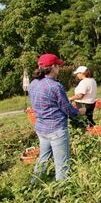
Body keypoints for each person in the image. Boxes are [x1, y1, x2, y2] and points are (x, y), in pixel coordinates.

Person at [28, 54, 82, 184]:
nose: (59, 68)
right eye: (58, 65)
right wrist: (78, 112)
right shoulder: (55, 86)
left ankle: (33, 184)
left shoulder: (33, 83)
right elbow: (66, 108)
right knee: (62, 163)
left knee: (43, 158)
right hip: (56, 129)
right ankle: (63, 192)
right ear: (53, 67)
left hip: (41, 127)